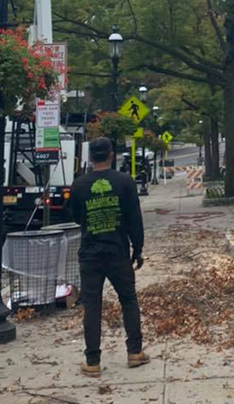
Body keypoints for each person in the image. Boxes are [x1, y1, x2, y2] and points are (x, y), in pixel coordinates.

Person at [69, 137, 149, 377]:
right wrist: (138, 247)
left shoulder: (79, 185)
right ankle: (134, 352)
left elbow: (74, 216)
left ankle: (92, 361)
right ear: (111, 155)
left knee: (92, 305)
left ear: (90, 158)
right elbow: (134, 217)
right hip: (117, 251)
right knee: (128, 299)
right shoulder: (125, 182)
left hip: (90, 253)